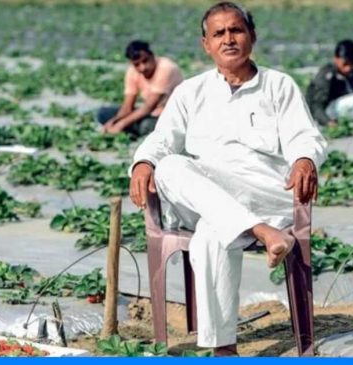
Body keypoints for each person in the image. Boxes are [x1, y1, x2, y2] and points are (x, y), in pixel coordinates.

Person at [129, 2, 327, 356]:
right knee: (170, 166)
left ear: (252, 35)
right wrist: (143, 162)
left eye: (236, 30)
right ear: (205, 44)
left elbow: (305, 136)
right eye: (218, 33)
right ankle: (260, 233)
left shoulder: (279, 85)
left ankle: (223, 350)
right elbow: (161, 140)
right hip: (211, 194)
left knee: (212, 231)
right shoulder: (191, 91)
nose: (228, 39)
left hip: (264, 192)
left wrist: (303, 159)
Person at [96, 40, 183, 136]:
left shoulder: (166, 68)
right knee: (103, 113)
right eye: (137, 64)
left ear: (152, 56)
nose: (143, 67)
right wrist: (113, 122)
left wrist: (121, 124)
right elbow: (128, 107)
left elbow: (149, 107)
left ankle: (128, 130)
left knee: (146, 126)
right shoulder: (132, 72)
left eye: (145, 61)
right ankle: (128, 129)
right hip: (150, 113)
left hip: (169, 114)